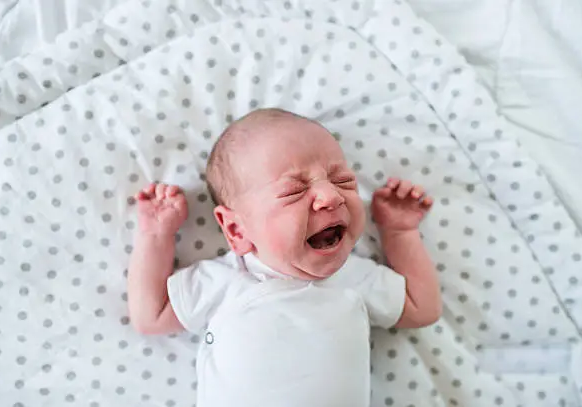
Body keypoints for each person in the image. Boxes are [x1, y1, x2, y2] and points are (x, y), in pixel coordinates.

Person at [127, 108, 442, 407]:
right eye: (294, 191)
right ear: (237, 230)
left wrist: (399, 233)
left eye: (343, 181)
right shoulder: (226, 280)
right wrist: (155, 235)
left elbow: (422, 308)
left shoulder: (354, 277)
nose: (331, 196)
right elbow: (150, 316)